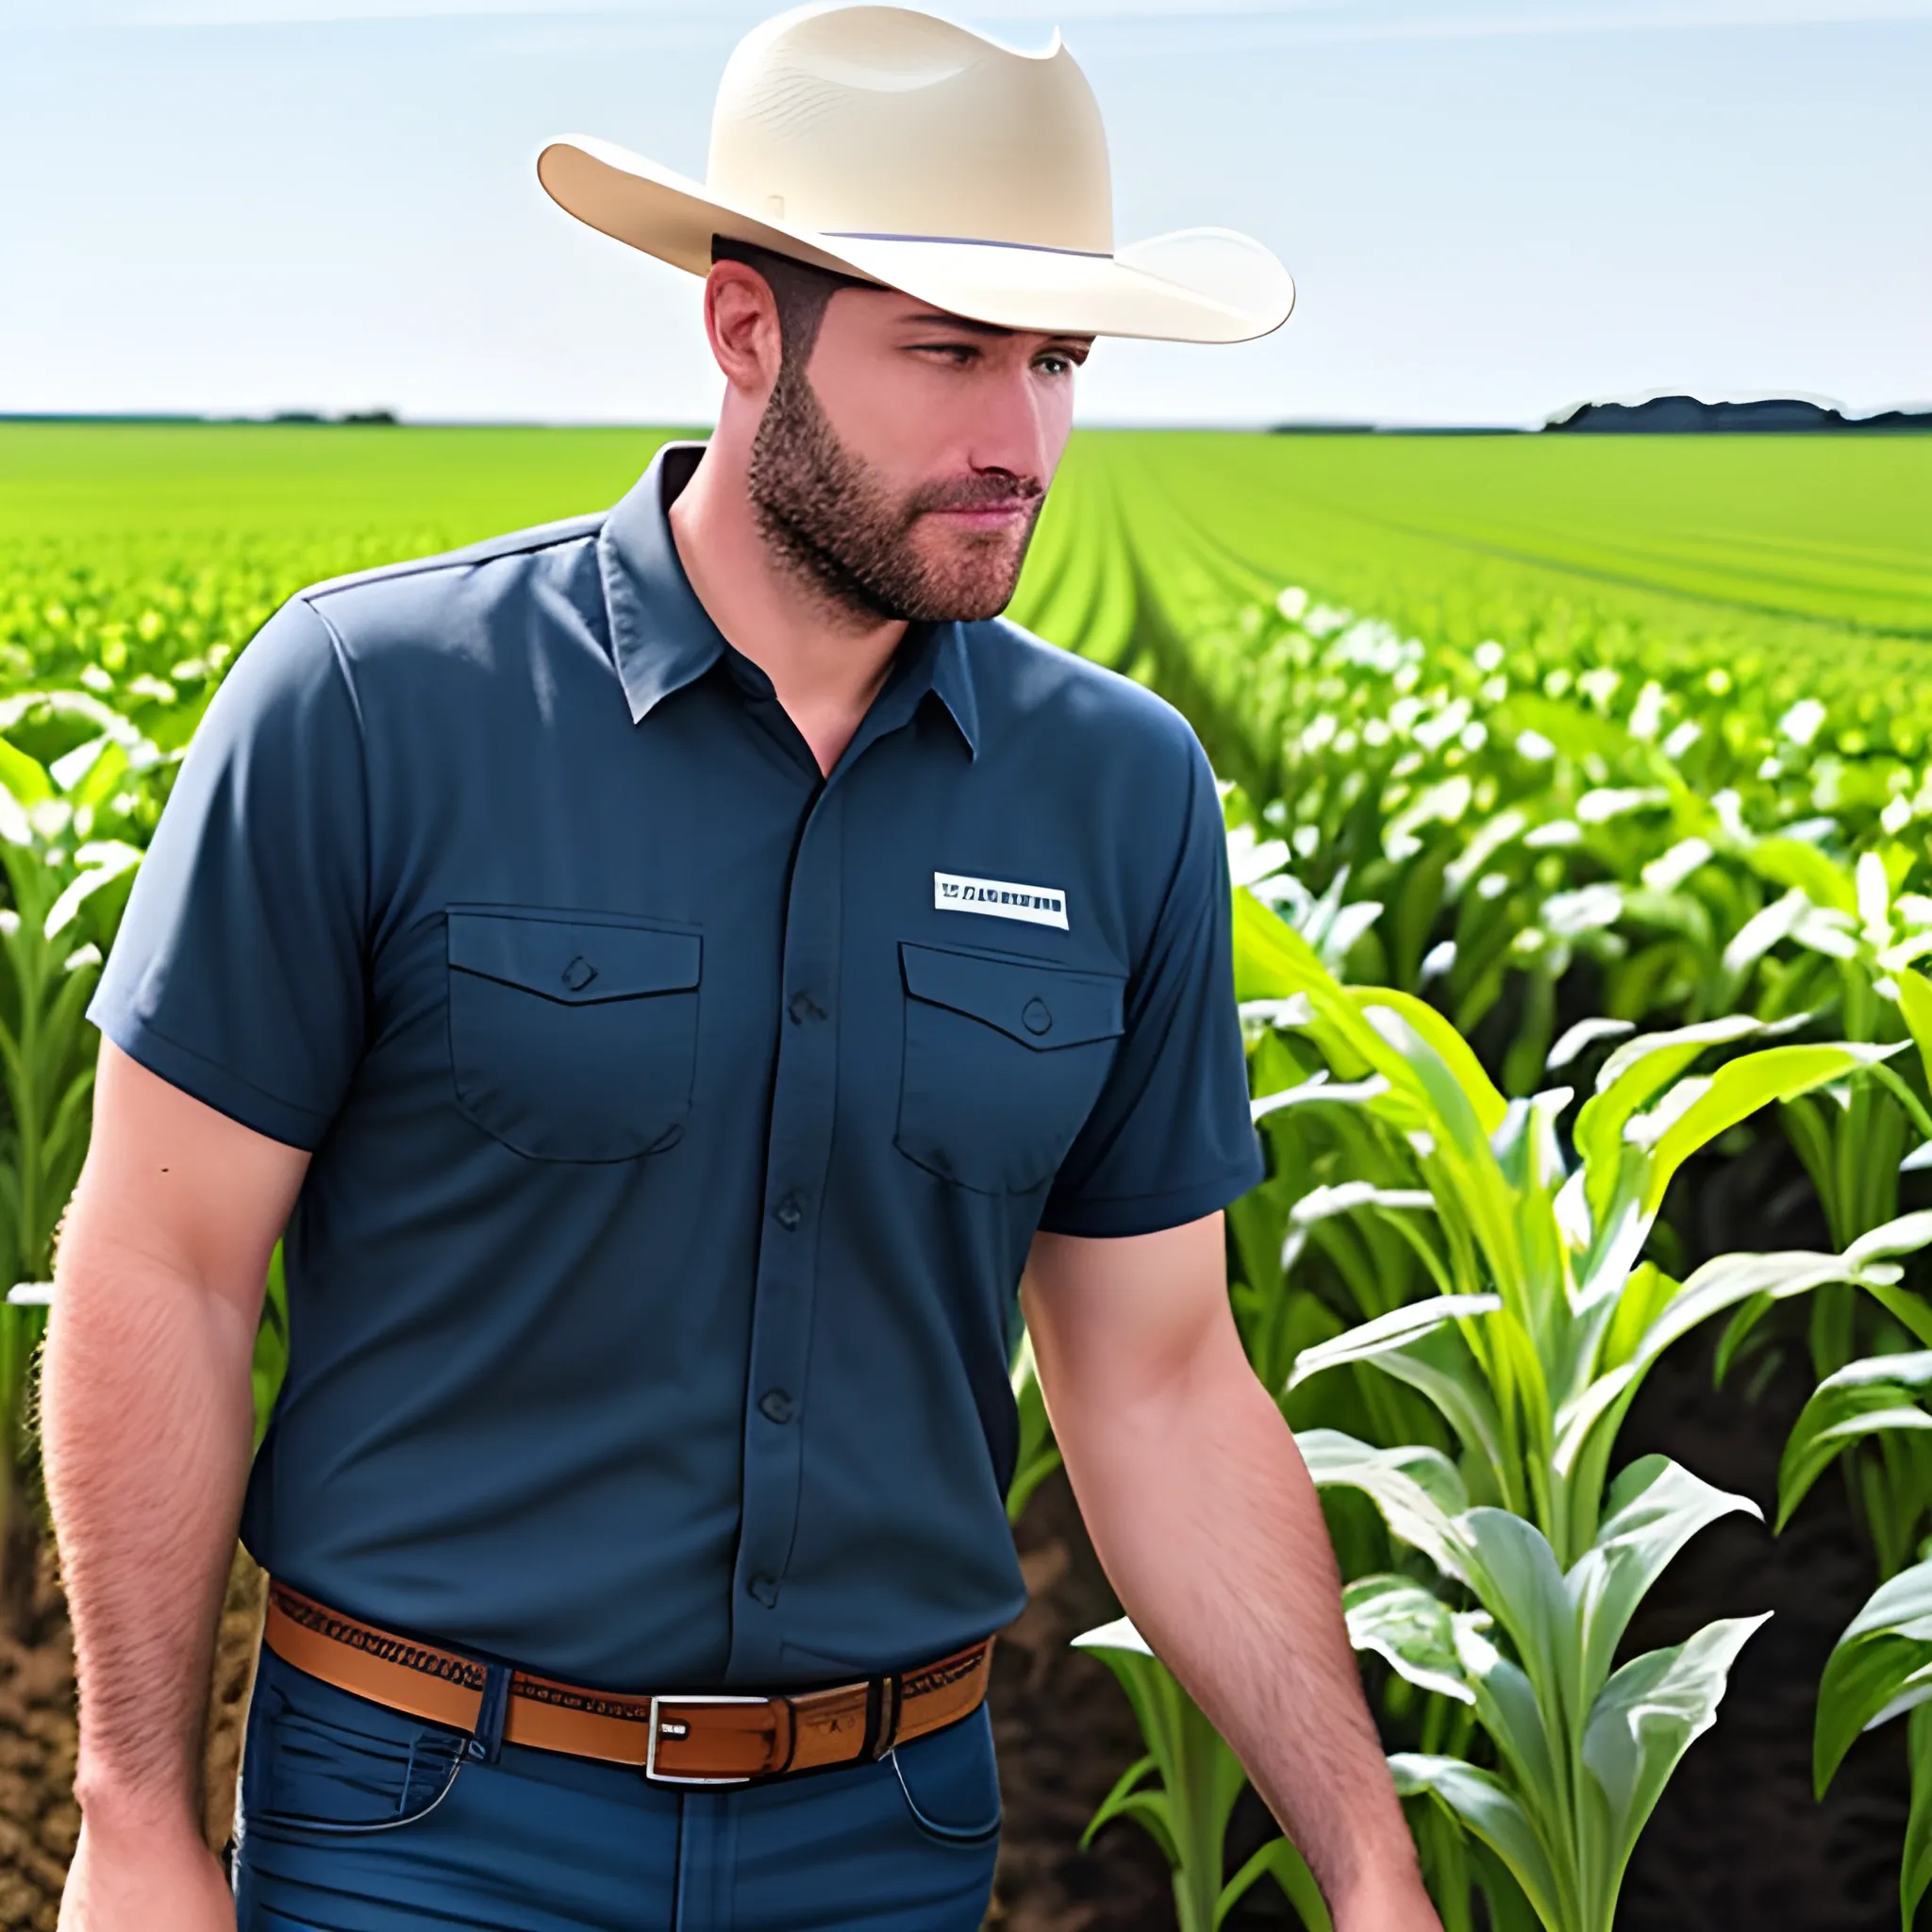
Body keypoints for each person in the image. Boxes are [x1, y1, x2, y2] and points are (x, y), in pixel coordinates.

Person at [42, 7, 1444, 1929]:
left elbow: (1162, 1376)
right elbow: (167, 1270)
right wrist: (133, 1810)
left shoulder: (1120, 792)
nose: (1014, 441)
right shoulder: (372, 705)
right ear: (741, 332)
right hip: (430, 1821)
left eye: (1054, 362)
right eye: (948, 352)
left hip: (888, 1835)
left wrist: (1367, 1862)